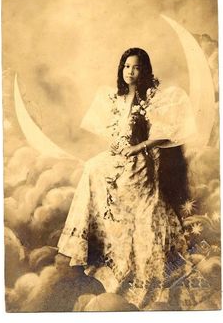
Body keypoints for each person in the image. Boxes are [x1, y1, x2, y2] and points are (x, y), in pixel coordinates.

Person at [57, 47, 197, 307]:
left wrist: (138, 147)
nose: (130, 72)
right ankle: (98, 253)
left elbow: (165, 133)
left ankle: (139, 275)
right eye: (126, 67)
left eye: (136, 67)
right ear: (121, 70)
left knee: (141, 216)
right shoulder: (116, 98)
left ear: (144, 70)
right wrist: (116, 145)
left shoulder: (152, 98)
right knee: (91, 168)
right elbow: (116, 132)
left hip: (140, 163)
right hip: (120, 158)